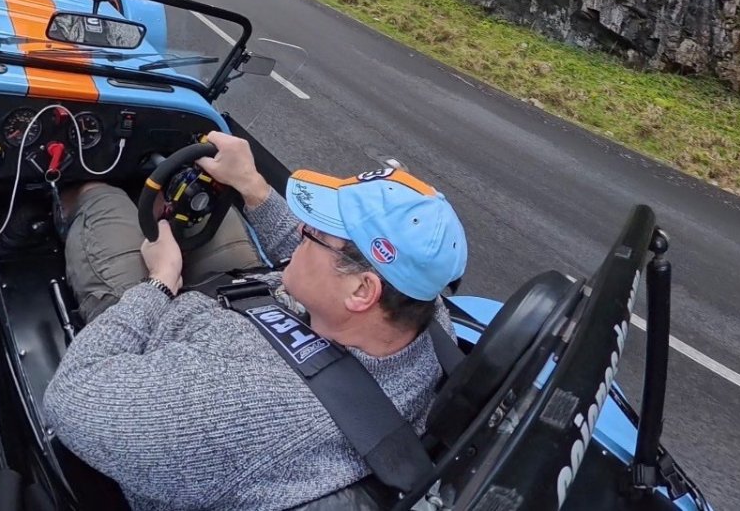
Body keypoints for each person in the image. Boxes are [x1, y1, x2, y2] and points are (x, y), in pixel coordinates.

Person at [43, 131, 468, 511]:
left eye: (315, 232)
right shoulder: (423, 313)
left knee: (102, 198)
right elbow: (338, 266)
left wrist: (159, 283)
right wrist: (252, 186)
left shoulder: (242, 407)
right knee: (214, 211)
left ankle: (76, 194)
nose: (300, 230)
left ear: (362, 292)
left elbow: (70, 394)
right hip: (246, 301)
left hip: (154, 335)